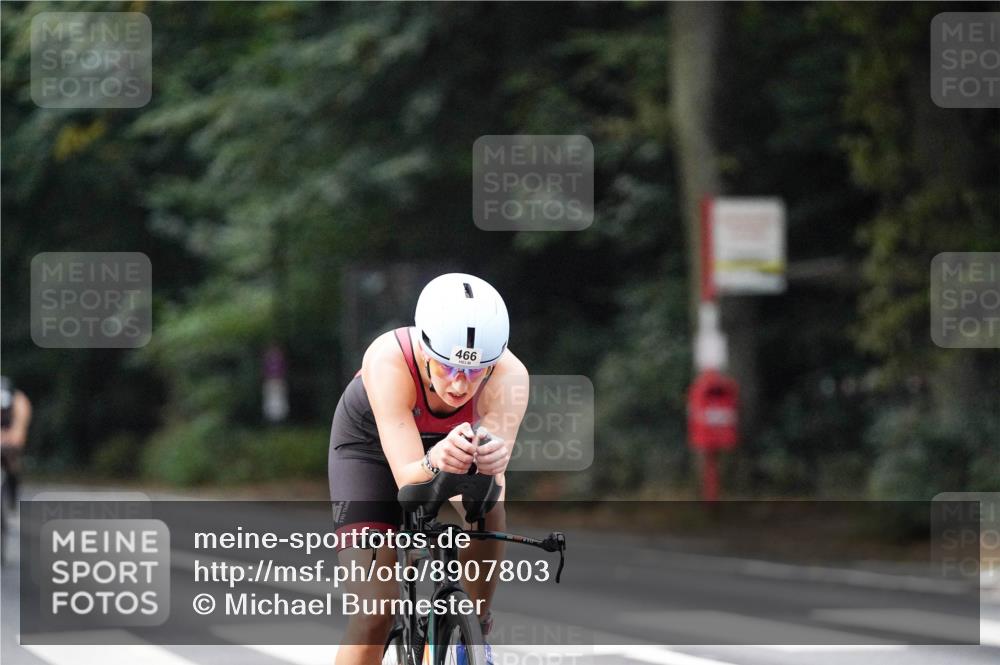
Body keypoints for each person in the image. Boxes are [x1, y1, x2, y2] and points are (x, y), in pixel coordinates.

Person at [329, 273, 528, 665]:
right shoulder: (388, 358)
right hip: (370, 449)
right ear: (424, 351)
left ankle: (475, 627)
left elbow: (491, 486)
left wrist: (488, 464)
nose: (459, 385)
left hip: (448, 445)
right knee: (374, 612)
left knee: (487, 502)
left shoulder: (510, 375)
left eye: (475, 371)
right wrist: (434, 459)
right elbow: (407, 477)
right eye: (447, 367)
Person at [1, 376, 32, 510]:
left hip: (11, 436)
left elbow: (19, 430)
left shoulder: (20, 401)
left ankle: (13, 497)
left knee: (12, 463)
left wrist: (10, 440)